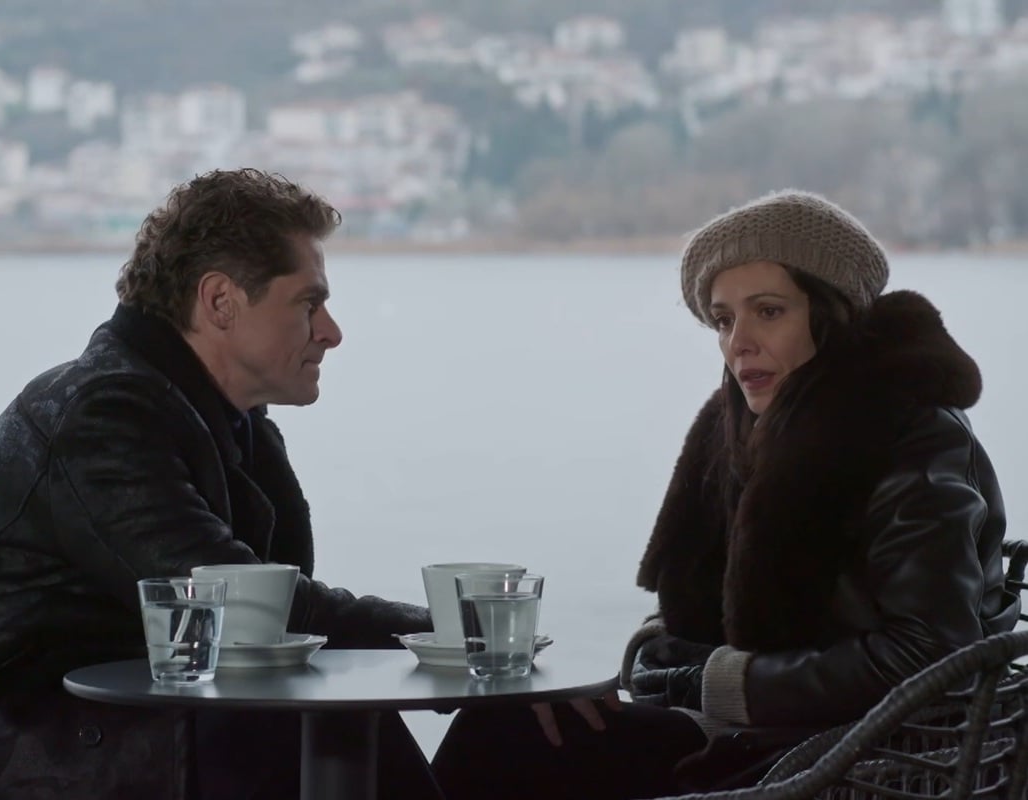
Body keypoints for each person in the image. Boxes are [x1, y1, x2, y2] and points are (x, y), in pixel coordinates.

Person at [0, 168, 443, 800]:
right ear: (220, 302)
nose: (331, 331)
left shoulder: (227, 421)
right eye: (308, 303)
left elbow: (269, 621)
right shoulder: (105, 414)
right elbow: (242, 607)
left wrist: (466, 647)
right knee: (304, 729)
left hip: (112, 729)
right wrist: (451, 635)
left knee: (497, 726)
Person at [432, 189, 1020, 798]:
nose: (739, 341)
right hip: (755, 733)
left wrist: (722, 681)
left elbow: (930, 657)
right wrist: (662, 654)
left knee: (504, 741)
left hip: (856, 758)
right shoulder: (746, 428)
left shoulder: (911, 434)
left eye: (768, 311)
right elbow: (716, 602)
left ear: (833, 315)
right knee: (507, 721)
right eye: (723, 319)